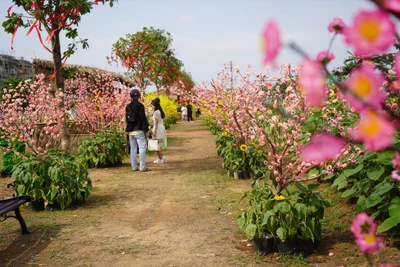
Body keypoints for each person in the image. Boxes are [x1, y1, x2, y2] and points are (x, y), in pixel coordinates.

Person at [125, 88, 151, 172]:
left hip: (131, 131)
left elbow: (127, 119)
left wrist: (127, 130)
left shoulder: (128, 106)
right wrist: (147, 129)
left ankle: (134, 167)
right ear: (139, 96)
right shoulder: (140, 106)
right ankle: (142, 167)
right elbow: (143, 118)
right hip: (139, 130)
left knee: (133, 149)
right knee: (142, 148)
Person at [150, 98, 167, 163]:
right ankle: (162, 156)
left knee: (156, 143)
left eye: (152, 106)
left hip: (157, 128)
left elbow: (156, 123)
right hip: (161, 127)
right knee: (158, 143)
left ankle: (160, 158)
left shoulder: (156, 112)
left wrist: (154, 132)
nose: (151, 107)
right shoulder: (159, 111)